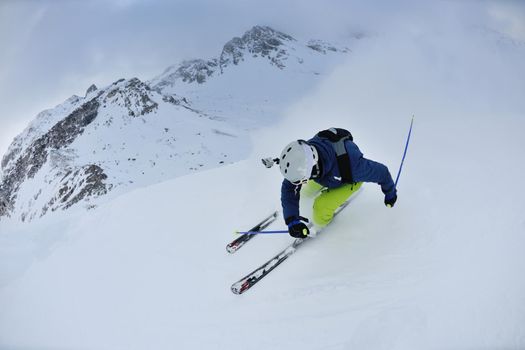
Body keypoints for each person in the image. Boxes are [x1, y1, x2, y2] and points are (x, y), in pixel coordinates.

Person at [263, 128, 397, 238]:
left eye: (302, 179)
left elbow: (382, 172)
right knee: (303, 193)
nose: (300, 182)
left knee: (320, 209)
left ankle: (322, 224)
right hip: (325, 174)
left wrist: (390, 194)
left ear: (313, 169)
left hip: (347, 179)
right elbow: (289, 188)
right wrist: (292, 219)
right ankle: (320, 196)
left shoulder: (353, 166)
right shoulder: (304, 157)